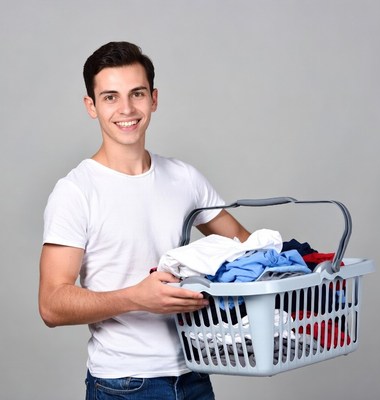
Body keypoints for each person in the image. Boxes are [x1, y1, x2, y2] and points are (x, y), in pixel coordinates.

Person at [39, 41, 250, 400]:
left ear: (153, 99)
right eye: (110, 97)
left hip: (195, 375)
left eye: (136, 94)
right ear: (91, 106)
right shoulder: (76, 191)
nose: (126, 109)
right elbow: (51, 304)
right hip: (123, 385)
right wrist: (137, 297)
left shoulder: (185, 178)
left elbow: (248, 251)